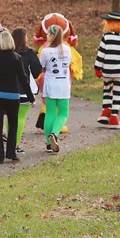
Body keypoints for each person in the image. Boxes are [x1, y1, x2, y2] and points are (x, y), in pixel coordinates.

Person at [0, 28, 35, 164]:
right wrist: (31, 97)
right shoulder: (16, 58)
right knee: (13, 124)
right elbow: (23, 79)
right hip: (12, 94)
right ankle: (11, 152)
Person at [95, 11, 120, 128]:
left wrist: (98, 68)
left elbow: (101, 54)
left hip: (107, 70)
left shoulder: (106, 37)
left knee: (107, 89)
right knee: (117, 93)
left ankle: (105, 112)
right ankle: (114, 117)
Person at [40, 24, 72, 154]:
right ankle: (55, 133)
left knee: (50, 113)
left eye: (48, 34)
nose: (47, 36)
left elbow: (42, 67)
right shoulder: (67, 49)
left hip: (51, 85)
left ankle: (49, 143)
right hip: (63, 84)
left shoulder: (46, 51)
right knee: (64, 113)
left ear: (52, 36)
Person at [12, 27, 41, 154]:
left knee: (11, 118)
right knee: (21, 118)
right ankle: (16, 144)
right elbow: (36, 70)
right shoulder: (29, 53)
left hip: (10, 90)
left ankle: (10, 142)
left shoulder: (8, 52)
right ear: (24, 39)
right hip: (25, 90)